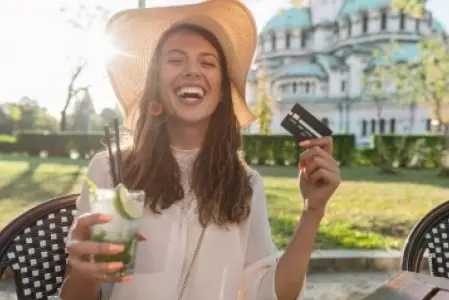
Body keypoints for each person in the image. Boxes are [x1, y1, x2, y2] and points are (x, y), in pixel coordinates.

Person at [60, 1, 340, 300]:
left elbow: (270, 294)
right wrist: (84, 271)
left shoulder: (245, 183)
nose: (192, 71)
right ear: (155, 83)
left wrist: (313, 211)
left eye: (207, 63)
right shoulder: (110, 169)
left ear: (222, 91)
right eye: (176, 60)